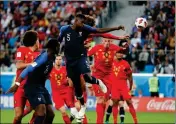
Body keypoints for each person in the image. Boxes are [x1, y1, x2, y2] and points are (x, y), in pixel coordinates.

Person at [58, 14, 125, 119]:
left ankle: (77, 109)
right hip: (72, 59)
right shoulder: (68, 30)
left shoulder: (87, 32)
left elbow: (104, 34)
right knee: (73, 84)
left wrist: (118, 36)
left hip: (81, 58)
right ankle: (74, 108)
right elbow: (61, 41)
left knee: (81, 83)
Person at [7, 38, 60, 124]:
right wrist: (16, 84)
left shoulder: (52, 57)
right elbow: (27, 69)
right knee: (41, 112)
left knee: (51, 114)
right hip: (32, 87)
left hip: (41, 87)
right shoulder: (43, 57)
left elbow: (45, 73)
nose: (60, 47)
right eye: (58, 46)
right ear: (52, 48)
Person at [11, 30, 40, 124]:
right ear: (35, 41)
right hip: (20, 87)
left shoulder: (39, 55)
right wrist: (33, 64)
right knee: (18, 115)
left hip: (32, 88)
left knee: (39, 109)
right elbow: (18, 65)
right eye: (38, 40)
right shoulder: (22, 49)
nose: (39, 42)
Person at [110, 50, 138, 124]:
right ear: (115, 53)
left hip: (123, 86)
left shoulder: (126, 64)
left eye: (121, 53)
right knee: (115, 103)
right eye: (118, 53)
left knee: (129, 102)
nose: (120, 54)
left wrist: (130, 87)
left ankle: (136, 121)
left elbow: (130, 76)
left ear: (123, 54)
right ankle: (115, 122)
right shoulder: (111, 62)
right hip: (114, 87)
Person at [49, 55, 75, 124]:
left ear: (62, 60)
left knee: (76, 109)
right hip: (57, 94)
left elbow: (70, 81)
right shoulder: (50, 70)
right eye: (57, 59)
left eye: (60, 59)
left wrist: (68, 81)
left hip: (67, 92)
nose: (58, 60)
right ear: (54, 60)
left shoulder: (66, 69)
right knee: (63, 111)